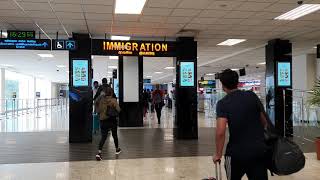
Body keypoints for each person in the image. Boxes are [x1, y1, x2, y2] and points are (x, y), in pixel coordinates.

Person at [213, 69, 268, 180]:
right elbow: (264, 121)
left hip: (236, 153)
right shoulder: (252, 96)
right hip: (258, 151)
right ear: (237, 82)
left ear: (223, 85)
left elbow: (220, 132)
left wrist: (218, 154)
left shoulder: (223, 103)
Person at [95, 87, 121, 160]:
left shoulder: (100, 100)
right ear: (112, 93)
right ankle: (117, 149)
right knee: (114, 135)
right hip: (112, 120)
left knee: (103, 137)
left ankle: (99, 153)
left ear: (104, 93)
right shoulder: (113, 100)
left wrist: (100, 96)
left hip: (103, 120)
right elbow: (119, 110)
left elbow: (95, 103)